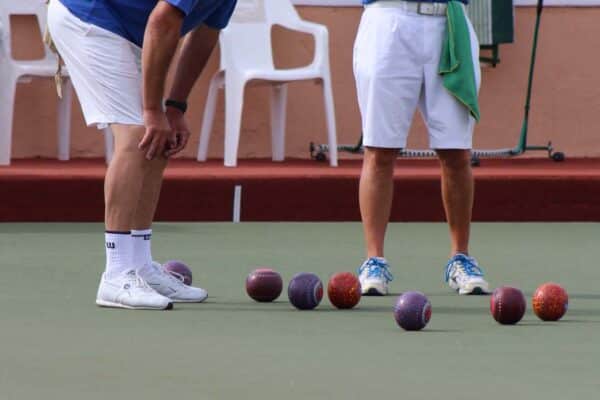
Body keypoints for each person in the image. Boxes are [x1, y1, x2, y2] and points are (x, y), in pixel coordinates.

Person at [47, 0, 238, 310]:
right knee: (138, 135)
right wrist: (152, 110)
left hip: (131, 34)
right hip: (90, 18)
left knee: (156, 142)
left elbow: (205, 34)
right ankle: (116, 274)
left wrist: (175, 107)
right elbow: (162, 21)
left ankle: (140, 266)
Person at [353, 0, 491, 295]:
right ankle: (374, 261)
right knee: (379, 150)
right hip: (388, 20)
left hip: (449, 22)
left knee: (456, 152)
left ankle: (460, 258)